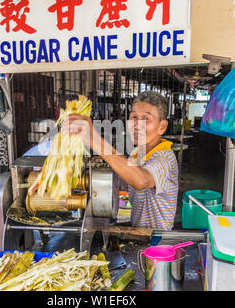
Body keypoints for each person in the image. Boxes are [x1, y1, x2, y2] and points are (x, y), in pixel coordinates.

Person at [61, 91, 178, 230]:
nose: (137, 124)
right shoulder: (137, 153)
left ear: (162, 127)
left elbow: (142, 181)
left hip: (159, 241)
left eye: (146, 118)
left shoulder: (165, 159)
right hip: (139, 233)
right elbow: (126, 179)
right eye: (134, 116)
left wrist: (95, 140)